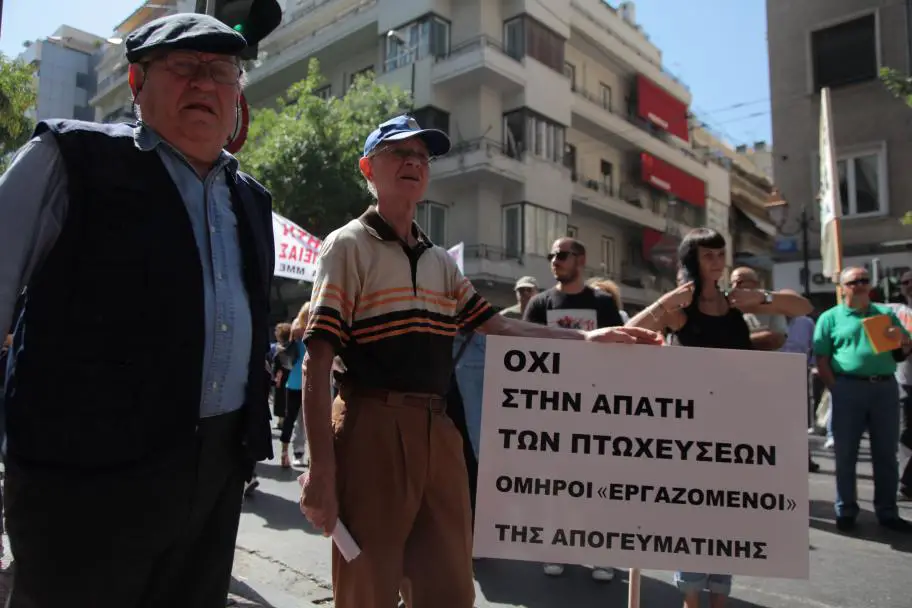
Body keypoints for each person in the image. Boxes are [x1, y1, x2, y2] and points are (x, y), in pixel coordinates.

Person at [297, 114, 663, 608]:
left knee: (450, 589)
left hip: (439, 429)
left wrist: (587, 338)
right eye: (398, 152)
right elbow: (316, 361)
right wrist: (321, 470)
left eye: (422, 156)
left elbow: (498, 325)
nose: (413, 162)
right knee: (368, 590)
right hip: (371, 427)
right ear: (368, 168)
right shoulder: (347, 245)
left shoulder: (440, 261)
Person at [0, 14, 275, 607]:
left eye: (221, 71)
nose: (203, 83)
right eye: (184, 66)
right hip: (81, 488)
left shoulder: (251, 200)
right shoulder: (67, 158)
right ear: (136, 80)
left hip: (213, 483)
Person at [627, 228, 812, 608]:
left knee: (729, 516)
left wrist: (761, 297)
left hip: (738, 424)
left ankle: (719, 600)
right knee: (693, 516)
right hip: (690, 430)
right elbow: (631, 331)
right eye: (708, 254)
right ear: (692, 260)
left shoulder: (735, 302)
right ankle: (691, 599)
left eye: (720, 253)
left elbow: (803, 307)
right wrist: (665, 301)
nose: (716, 261)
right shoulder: (682, 307)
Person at [524, 238, 621, 582]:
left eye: (562, 255)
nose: (555, 260)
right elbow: (526, 351)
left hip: (597, 409)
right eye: (551, 255)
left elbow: (620, 350)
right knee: (555, 484)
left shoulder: (602, 303)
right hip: (552, 410)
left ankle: (601, 552)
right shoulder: (539, 303)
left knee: (598, 483)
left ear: (581, 259)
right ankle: (556, 547)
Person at [812, 266, 912, 533]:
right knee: (846, 454)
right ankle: (845, 510)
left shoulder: (884, 314)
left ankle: (887, 512)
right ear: (843, 287)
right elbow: (821, 357)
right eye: (854, 282)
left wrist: (903, 341)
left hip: (884, 388)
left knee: (886, 454)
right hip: (848, 388)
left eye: (865, 281)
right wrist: (836, 389)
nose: (860, 285)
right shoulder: (830, 317)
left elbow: (903, 347)